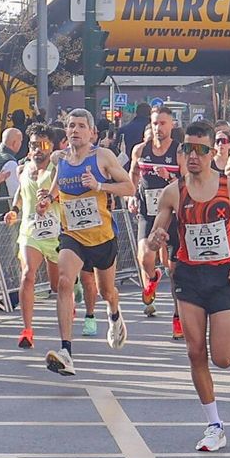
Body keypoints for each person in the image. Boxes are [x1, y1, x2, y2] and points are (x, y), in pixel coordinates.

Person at [146, 121, 230, 451]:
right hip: (189, 277)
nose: (193, 156)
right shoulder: (174, 191)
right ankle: (214, 424)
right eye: (187, 149)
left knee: (223, 359)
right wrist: (155, 239)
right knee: (195, 352)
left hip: (224, 276)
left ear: (213, 153)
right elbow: (157, 233)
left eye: (200, 149)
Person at [43, 109, 136, 376]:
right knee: (64, 281)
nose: (75, 131)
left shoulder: (102, 157)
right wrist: (47, 200)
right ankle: (66, 352)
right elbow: (58, 184)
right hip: (72, 235)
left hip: (102, 237)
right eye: (71, 126)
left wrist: (99, 186)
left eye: (81, 126)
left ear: (91, 132)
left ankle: (114, 313)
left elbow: (129, 188)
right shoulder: (58, 158)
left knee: (107, 292)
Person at [3, 124, 62, 350]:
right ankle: (27, 330)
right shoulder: (24, 168)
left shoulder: (57, 168)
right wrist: (14, 210)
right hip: (30, 232)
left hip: (55, 234)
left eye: (43, 145)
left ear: (51, 147)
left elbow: (59, 190)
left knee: (57, 286)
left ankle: (70, 292)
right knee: (28, 275)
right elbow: (20, 192)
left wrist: (50, 199)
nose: (38, 149)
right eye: (34, 145)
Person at [130, 105, 180, 331]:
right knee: (144, 257)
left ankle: (178, 318)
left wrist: (169, 176)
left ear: (172, 125)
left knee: (175, 269)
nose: (158, 128)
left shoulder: (179, 151)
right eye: (154, 123)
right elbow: (133, 173)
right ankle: (152, 276)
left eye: (162, 123)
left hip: (173, 214)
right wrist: (132, 195)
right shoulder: (141, 150)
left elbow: (188, 182)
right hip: (148, 212)